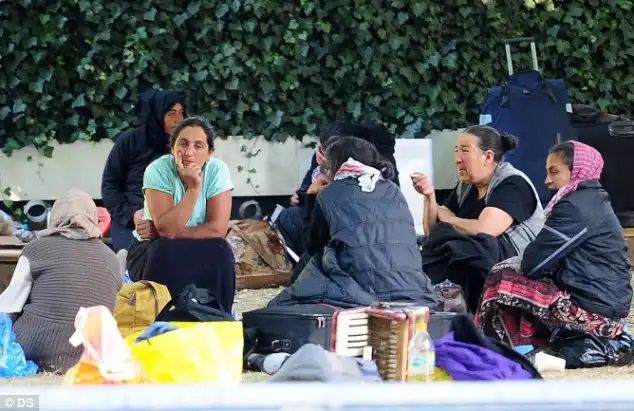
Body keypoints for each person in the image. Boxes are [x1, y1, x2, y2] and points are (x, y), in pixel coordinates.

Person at [476, 141, 632, 347]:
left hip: (596, 313)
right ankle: (520, 339)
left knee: (502, 275)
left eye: (554, 171)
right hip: (609, 307)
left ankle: (498, 344)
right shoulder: (593, 199)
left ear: (577, 170)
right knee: (514, 271)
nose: (547, 180)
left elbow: (533, 265)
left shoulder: (574, 207)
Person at [269, 136, 436, 308]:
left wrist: (311, 197)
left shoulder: (330, 193)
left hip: (362, 293)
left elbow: (312, 246)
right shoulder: (393, 190)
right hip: (413, 290)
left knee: (283, 302)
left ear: (335, 166)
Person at [414, 125, 544, 312]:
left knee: (470, 245)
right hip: (479, 261)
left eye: (465, 151)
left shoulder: (513, 183)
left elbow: (486, 229)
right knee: (443, 239)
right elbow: (431, 232)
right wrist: (429, 196)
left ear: (488, 157)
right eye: (456, 151)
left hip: (515, 262)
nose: (457, 159)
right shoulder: (467, 186)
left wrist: (449, 219)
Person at [0, 190, 121, 373]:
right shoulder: (111, 257)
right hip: (91, 359)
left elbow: (8, 307)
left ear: (55, 217)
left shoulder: (36, 249)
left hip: (33, 352)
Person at [125, 116, 236, 314]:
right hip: (149, 249)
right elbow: (168, 230)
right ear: (172, 149)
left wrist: (162, 232)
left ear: (210, 153)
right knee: (165, 249)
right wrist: (193, 189)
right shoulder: (158, 170)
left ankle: (218, 316)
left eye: (198, 146)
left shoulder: (217, 170)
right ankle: (163, 318)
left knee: (222, 250)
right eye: (183, 144)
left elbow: (217, 229)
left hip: (188, 244)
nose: (189, 153)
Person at [275, 121, 400, 260]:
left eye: (326, 151)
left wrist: (314, 194)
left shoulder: (362, 169)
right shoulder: (321, 157)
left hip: (357, 249)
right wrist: (303, 194)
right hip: (392, 258)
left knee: (292, 221)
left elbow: (314, 245)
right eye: (320, 149)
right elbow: (307, 186)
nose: (321, 154)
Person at [101, 89, 185, 252]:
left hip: (171, 221)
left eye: (181, 113)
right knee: (137, 255)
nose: (178, 120)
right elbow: (110, 185)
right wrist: (132, 214)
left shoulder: (184, 145)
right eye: (171, 114)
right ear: (157, 115)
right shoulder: (129, 141)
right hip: (131, 221)